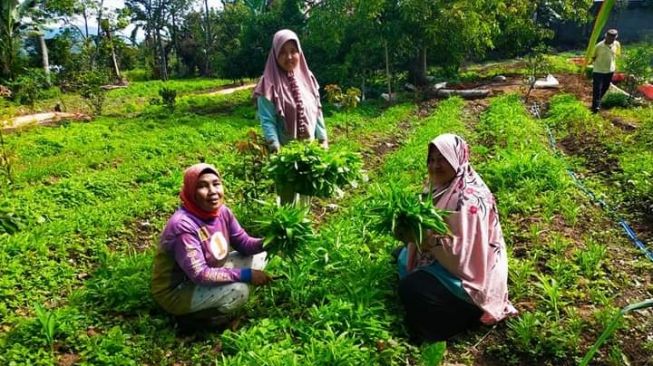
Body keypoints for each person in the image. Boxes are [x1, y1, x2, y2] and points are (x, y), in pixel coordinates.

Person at [396, 134, 517, 342]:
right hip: (448, 258)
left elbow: (464, 256)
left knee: (412, 288)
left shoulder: (468, 198)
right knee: (401, 255)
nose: (435, 166)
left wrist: (424, 239)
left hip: (470, 274)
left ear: (456, 159)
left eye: (442, 159)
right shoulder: (440, 187)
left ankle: (452, 324)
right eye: (432, 160)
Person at [151, 163, 272, 329]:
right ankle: (193, 319)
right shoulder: (183, 226)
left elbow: (244, 243)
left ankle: (214, 301)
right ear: (191, 191)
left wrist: (269, 241)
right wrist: (246, 275)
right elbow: (200, 274)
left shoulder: (222, 212)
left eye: (216, 184)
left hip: (209, 270)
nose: (213, 191)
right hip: (178, 290)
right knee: (239, 290)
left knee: (261, 256)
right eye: (202, 186)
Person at [253, 29, 328, 154]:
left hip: (312, 153)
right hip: (285, 156)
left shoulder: (308, 78)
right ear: (275, 55)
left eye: (293, 51)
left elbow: (317, 111)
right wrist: (276, 151)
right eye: (282, 52)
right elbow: (268, 121)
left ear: (299, 53)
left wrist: (323, 140)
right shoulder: (268, 83)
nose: (289, 57)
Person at [591, 29, 621, 113]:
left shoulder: (617, 44)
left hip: (610, 70)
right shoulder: (599, 46)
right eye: (609, 37)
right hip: (598, 70)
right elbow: (593, 57)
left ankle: (598, 100)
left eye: (613, 38)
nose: (611, 39)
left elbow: (617, 55)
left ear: (616, 37)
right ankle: (595, 107)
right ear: (606, 36)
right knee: (597, 88)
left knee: (605, 87)